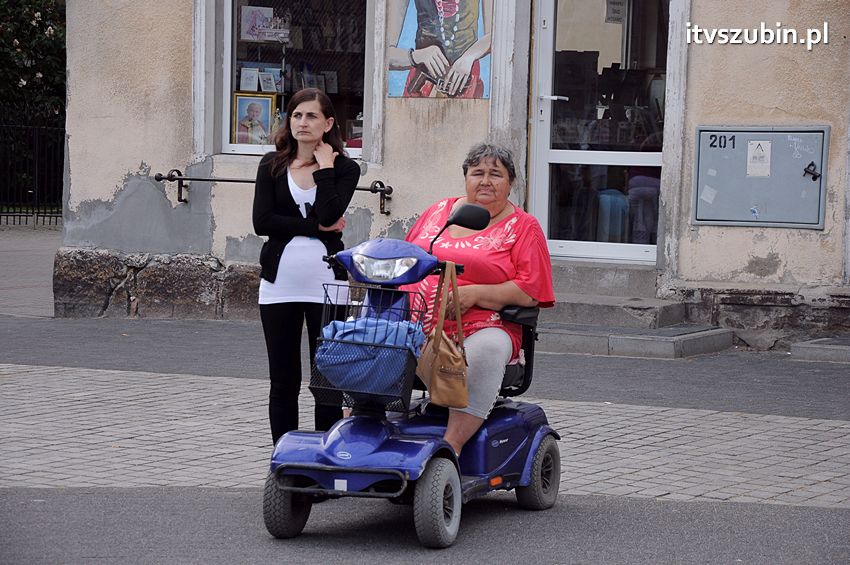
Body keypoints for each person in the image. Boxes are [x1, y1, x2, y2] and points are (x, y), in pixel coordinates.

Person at [403, 142, 555, 455]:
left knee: (485, 350)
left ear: (510, 183)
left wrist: (475, 293)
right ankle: (362, 433)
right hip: (418, 321)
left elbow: (531, 290)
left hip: (484, 325)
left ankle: (452, 446)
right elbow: (406, 258)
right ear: (466, 178)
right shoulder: (439, 212)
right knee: (367, 338)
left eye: (495, 174)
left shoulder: (524, 227)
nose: (485, 181)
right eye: (477, 173)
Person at [252, 88, 360, 445]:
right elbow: (262, 221)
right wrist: (314, 228)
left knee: (326, 381)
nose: (302, 122)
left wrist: (325, 168)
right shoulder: (271, 165)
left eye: (311, 116)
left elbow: (330, 213)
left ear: (328, 123)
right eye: (296, 115)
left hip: (327, 286)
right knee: (283, 381)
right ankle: (285, 459)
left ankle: (324, 459)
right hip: (279, 285)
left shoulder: (345, 168)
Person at [387, 0, 492, 98]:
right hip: (420, 83)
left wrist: (469, 57)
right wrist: (417, 56)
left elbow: (496, 36)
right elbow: (383, 54)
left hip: (466, 84)